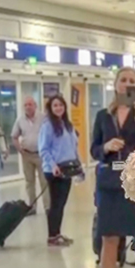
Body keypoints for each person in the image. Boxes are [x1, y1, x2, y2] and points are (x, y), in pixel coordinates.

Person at [91, 67, 135, 268]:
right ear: (115, 84)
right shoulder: (104, 116)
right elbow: (94, 149)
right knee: (108, 239)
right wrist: (105, 146)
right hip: (109, 184)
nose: (127, 84)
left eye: (132, 81)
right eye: (123, 80)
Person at [38, 95, 80, 247]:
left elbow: (73, 147)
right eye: (55, 106)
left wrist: (79, 166)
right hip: (54, 171)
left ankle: (57, 233)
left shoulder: (67, 125)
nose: (58, 108)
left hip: (67, 169)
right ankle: (52, 236)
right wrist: (53, 165)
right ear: (50, 108)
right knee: (55, 204)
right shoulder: (47, 126)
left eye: (60, 105)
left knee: (61, 204)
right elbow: (43, 149)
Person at [11, 96, 50, 216]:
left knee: (45, 182)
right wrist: (20, 149)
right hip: (27, 155)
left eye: (30, 104)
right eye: (25, 105)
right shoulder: (20, 120)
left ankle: (48, 207)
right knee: (29, 182)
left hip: (41, 155)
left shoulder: (44, 118)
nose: (28, 107)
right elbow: (14, 136)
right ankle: (32, 207)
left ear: (35, 106)